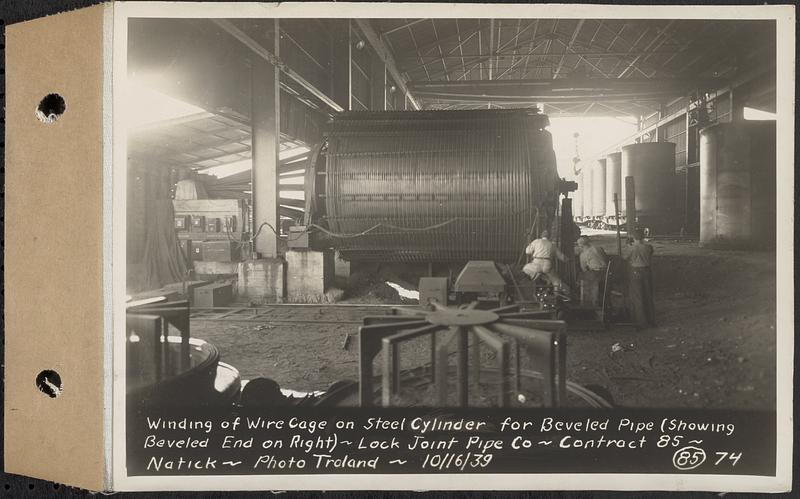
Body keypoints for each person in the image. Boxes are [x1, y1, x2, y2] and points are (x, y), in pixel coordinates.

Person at [625, 228, 656, 328]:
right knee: (648, 295)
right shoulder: (649, 247)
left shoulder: (632, 248)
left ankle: (641, 322)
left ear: (633, 237)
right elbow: (649, 253)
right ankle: (651, 320)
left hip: (635, 271)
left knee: (638, 296)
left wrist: (628, 245)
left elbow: (625, 258)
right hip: (647, 271)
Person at [523, 230, 569, 294]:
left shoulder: (536, 241)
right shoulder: (552, 245)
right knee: (555, 280)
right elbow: (562, 257)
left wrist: (530, 245)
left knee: (525, 269)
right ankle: (556, 294)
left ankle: (535, 278)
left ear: (541, 235)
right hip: (547, 265)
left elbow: (527, 252)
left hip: (536, 264)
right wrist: (567, 259)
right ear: (549, 236)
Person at [577, 236, 608, 307]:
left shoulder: (583, 255)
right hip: (606, 273)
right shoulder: (599, 248)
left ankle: (589, 303)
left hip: (595, 275)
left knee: (580, 278)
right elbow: (606, 259)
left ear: (581, 245)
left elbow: (584, 269)